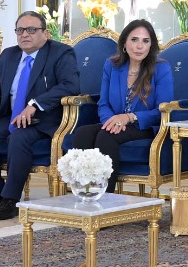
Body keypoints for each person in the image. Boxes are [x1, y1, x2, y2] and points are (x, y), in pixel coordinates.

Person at [0, 10, 80, 222]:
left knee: (18, 137)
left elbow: (70, 85)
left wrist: (35, 104)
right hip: (11, 117)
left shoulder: (61, 53)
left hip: (43, 120)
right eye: (20, 30)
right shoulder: (9, 55)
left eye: (31, 30)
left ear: (45, 33)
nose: (24, 35)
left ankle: (10, 200)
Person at [68, 19, 174, 193]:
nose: (139, 46)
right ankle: (85, 192)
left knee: (106, 137)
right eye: (134, 40)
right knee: (83, 133)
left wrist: (129, 118)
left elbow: (163, 110)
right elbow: (103, 103)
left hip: (145, 125)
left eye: (145, 41)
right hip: (116, 123)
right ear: (124, 43)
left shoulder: (161, 68)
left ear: (151, 45)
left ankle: (105, 197)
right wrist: (112, 121)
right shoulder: (112, 65)